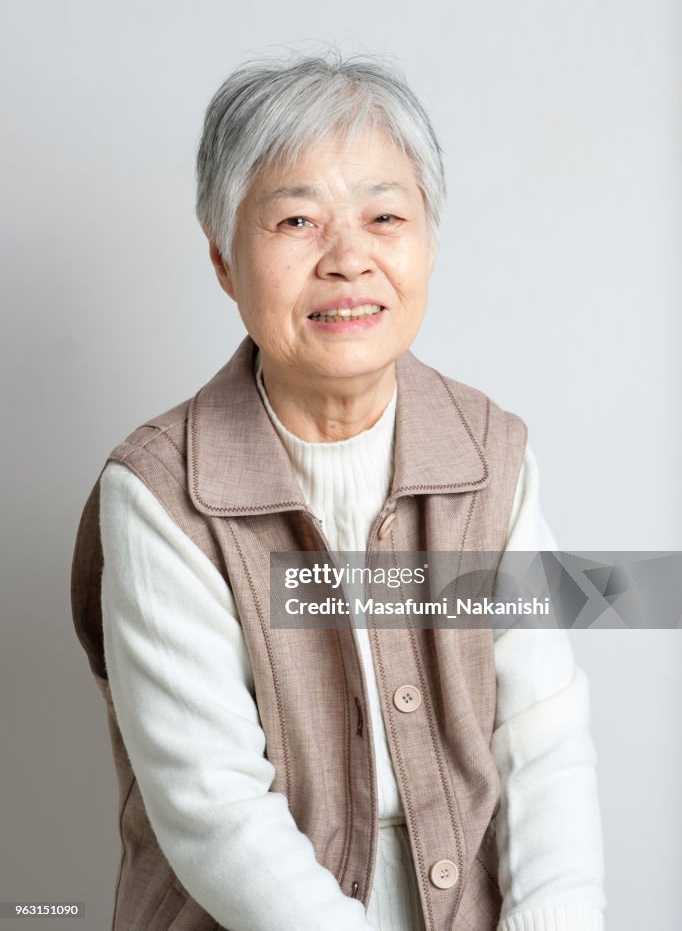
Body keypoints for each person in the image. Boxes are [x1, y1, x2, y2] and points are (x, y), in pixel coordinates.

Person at [71, 52, 606, 931]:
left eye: (385, 215)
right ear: (222, 258)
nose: (348, 258)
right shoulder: (161, 494)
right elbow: (217, 813)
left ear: (428, 239)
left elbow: (542, 739)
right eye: (296, 221)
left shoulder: (491, 456)